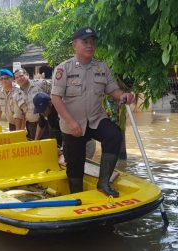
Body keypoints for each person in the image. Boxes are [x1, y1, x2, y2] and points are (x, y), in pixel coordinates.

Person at [51, 26, 134, 196]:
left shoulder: (101, 67)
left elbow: (113, 90)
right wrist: (71, 122)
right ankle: (77, 196)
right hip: (72, 124)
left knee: (114, 135)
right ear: (74, 45)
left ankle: (103, 183)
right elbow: (55, 98)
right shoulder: (63, 69)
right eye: (85, 41)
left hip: (96, 119)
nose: (89, 45)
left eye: (92, 42)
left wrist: (124, 95)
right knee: (75, 167)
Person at [13, 68, 51, 139]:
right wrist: (18, 131)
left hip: (47, 122)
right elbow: (18, 115)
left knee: (51, 146)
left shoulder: (41, 84)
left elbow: (55, 96)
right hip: (31, 125)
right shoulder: (16, 95)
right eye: (16, 77)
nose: (19, 79)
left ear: (27, 75)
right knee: (36, 146)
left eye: (21, 76)